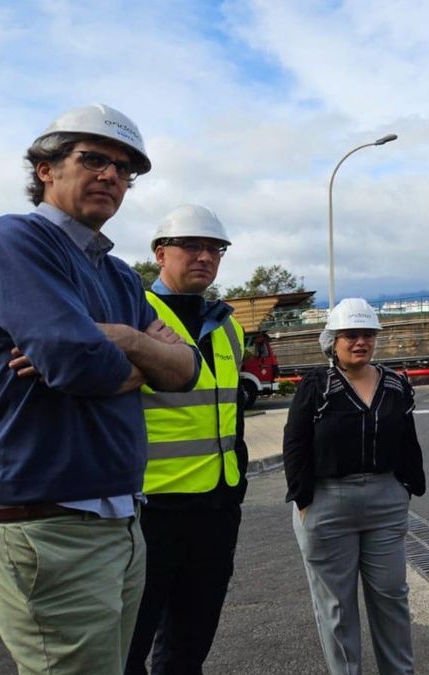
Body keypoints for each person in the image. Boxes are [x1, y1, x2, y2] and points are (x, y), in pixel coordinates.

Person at [0, 103, 198, 674]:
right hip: (45, 520)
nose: (111, 176)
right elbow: (77, 362)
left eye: (124, 169)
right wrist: (139, 354)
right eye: (93, 159)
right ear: (46, 168)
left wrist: (124, 340)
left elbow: (187, 370)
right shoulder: (16, 240)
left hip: (119, 519)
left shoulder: (117, 274)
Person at [125, 205, 249, 674]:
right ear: (160, 254)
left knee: (189, 645)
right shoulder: (136, 314)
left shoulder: (229, 327)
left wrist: (232, 488)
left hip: (215, 510)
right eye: (191, 246)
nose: (205, 256)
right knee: (129, 646)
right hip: (150, 508)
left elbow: (231, 413)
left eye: (214, 248)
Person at [283, 298, 426, 675]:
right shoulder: (317, 386)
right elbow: (295, 442)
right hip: (327, 503)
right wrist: (303, 499)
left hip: (385, 501)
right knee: (337, 608)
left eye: (367, 334)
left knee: (392, 597)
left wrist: (407, 487)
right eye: (350, 335)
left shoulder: (395, 384)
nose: (360, 342)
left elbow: (408, 440)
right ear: (333, 340)